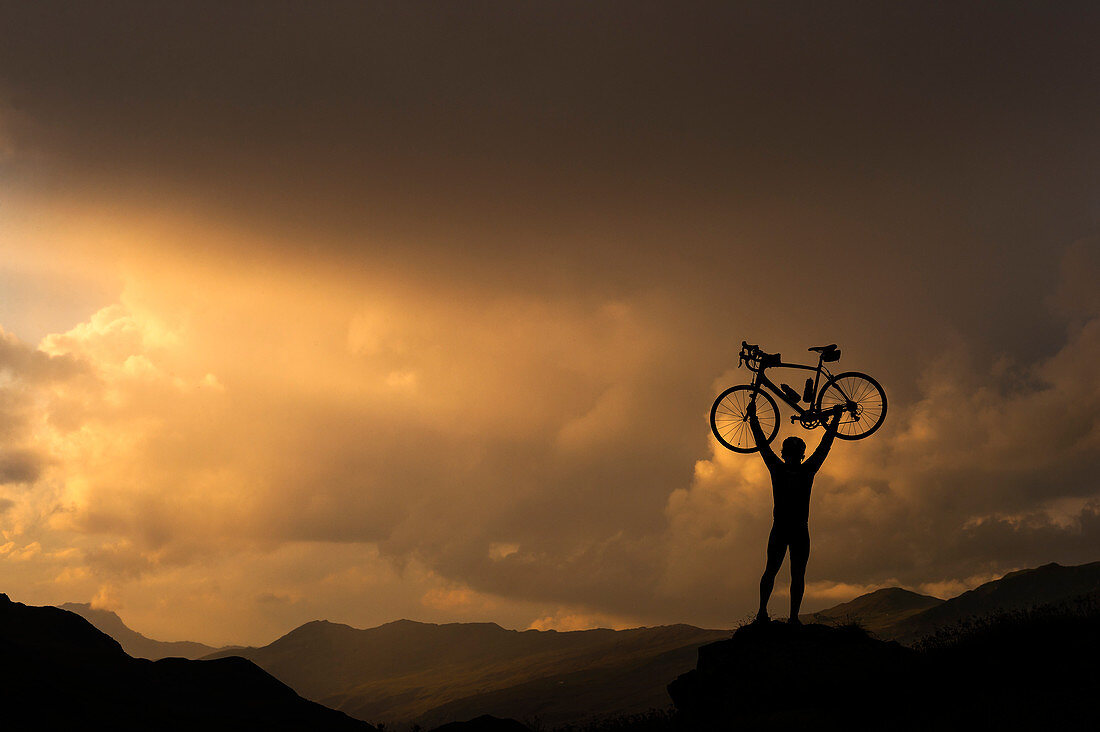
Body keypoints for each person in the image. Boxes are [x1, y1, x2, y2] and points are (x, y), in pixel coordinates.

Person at [747, 397, 843, 624]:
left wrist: (753, 417)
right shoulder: (807, 469)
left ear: (783, 453)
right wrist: (836, 419)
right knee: (796, 574)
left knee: (772, 570)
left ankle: (763, 613)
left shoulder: (777, 469)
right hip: (798, 529)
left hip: (781, 528)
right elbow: (824, 445)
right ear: (801, 454)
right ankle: (791, 617)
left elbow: (762, 443)